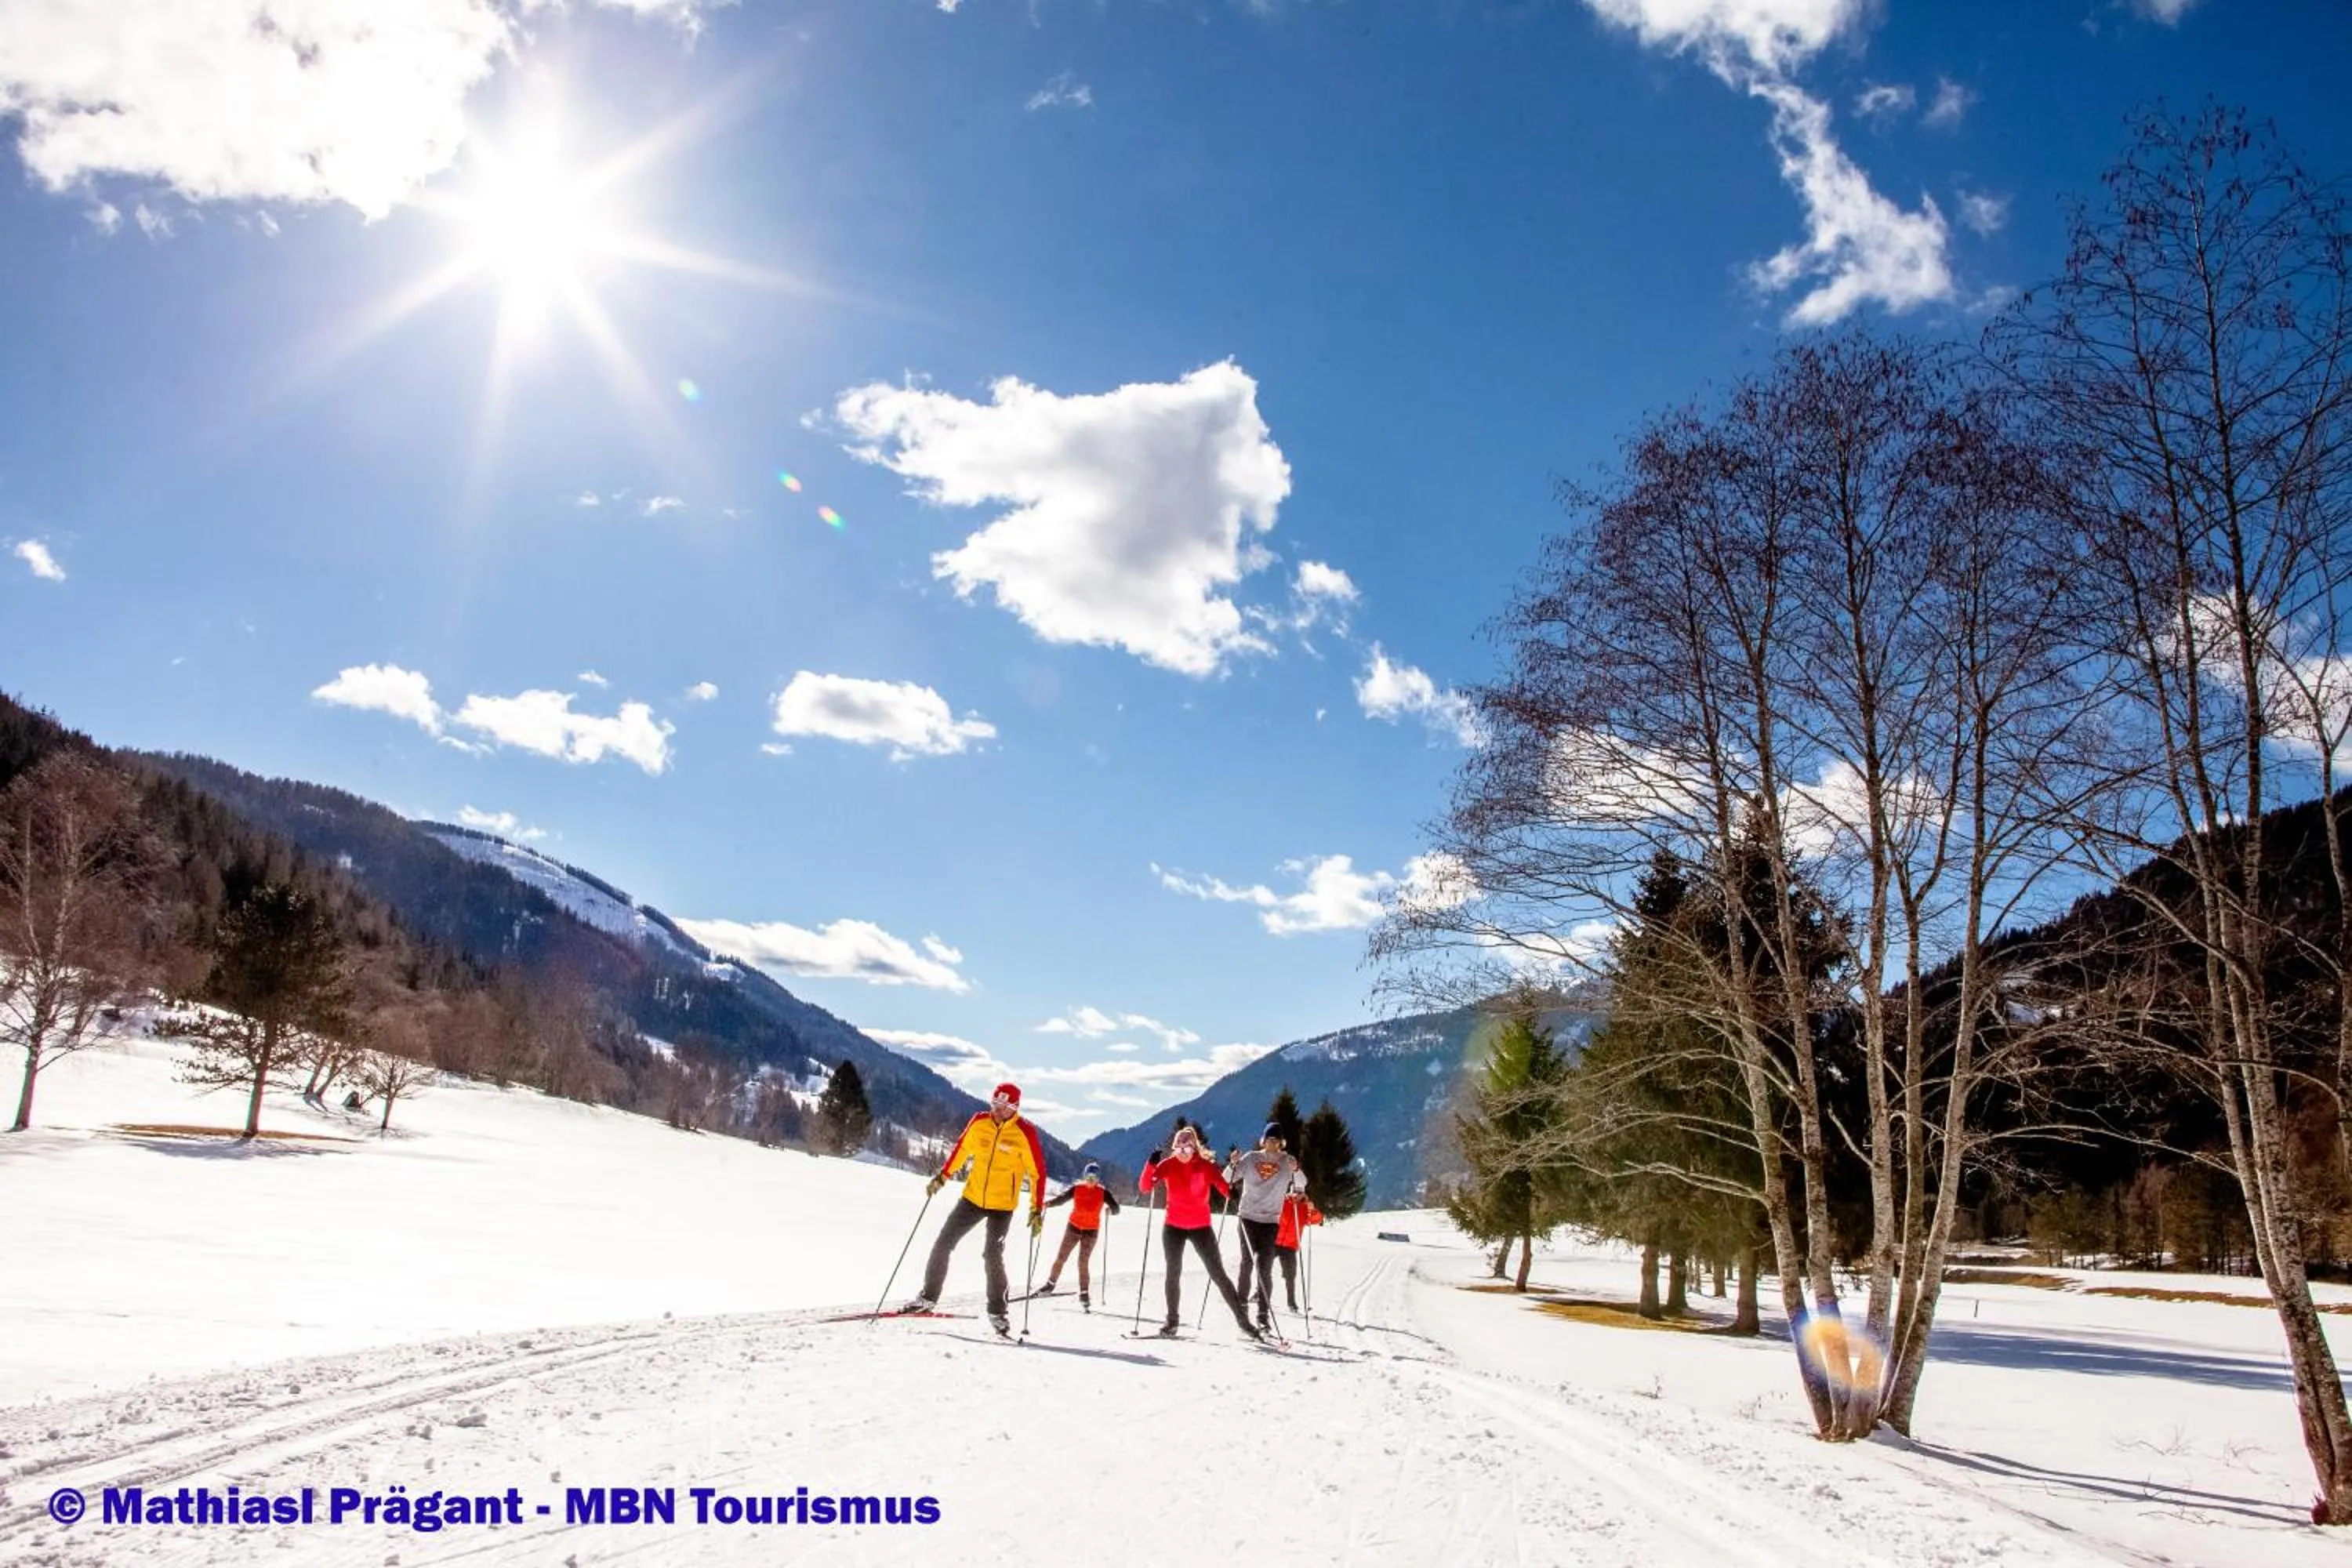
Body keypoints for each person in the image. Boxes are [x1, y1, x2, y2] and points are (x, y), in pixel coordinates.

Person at [900, 1082, 1045, 1335]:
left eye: (1003, 1106)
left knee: (992, 1255)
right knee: (943, 1243)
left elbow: (1037, 1174)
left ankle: (998, 1312)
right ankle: (928, 1298)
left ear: (1014, 1108)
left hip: (1002, 1205)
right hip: (972, 1198)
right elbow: (962, 1149)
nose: (997, 1110)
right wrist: (943, 1176)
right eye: (994, 1104)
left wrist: (1036, 1209)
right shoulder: (979, 1122)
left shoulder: (1025, 1133)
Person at [1138, 1126, 1262, 1341]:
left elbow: (1221, 1185)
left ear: (1194, 1148)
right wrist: (1150, 1165)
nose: (1182, 1154)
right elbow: (1145, 1187)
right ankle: (1172, 1322)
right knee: (1173, 1272)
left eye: (1186, 1149)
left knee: (1218, 1274)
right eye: (1178, 1149)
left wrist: (1229, 1192)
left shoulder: (1205, 1166)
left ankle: (1243, 1322)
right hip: (1173, 1227)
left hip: (1201, 1228)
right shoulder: (1168, 1165)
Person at [1224, 1124, 1308, 1331]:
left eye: (1277, 1140)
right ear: (1263, 1140)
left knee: (1265, 1268)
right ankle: (1241, 1309)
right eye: (1270, 1139)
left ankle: (1263, 1317)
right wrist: (1232, 1164)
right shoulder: (1251, 1158)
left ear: (1282, 1142)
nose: (1273, 1143)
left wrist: (1296, 1169)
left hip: (1271, 1221)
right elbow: (1228, 1179)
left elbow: (1302, 1184)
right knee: (1247, 1263)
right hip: (1247, 1218)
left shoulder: (1287, 1162)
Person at [1036, 1161, 1120, 1308]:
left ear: (1098, 1179)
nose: (1091, 1180)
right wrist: (1048, 1204)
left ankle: (1084, 1293)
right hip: (1073, 1228)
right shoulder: (1077, 1188)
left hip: (1091, 1231)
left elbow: (1116, 1208)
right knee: (1061, 1257)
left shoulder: (1103, 1192)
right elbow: (1062, 1200)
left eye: (1094, 1177)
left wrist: (1111, 1211)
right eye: (1088, 1176)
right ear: (1084, 1176)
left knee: (1083, 1262)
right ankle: (1050, 1285)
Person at [1276, 1187, 1323, 1313]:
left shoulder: (1305, 1207)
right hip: (1274, 1242)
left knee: (1290, 1275)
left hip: (1290, 1246)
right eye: (1295, 1192)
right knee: (1264, 1267)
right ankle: (1259, 1292)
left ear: (1304, 1194)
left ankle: (1291, 1303)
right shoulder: (1282, 1202)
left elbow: (1317, 1220)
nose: (1297, 1195)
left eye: (1300, 1193)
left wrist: (1312, 1210)